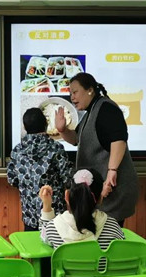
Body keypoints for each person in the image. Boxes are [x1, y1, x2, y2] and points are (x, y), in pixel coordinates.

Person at [55, 72, 138, 227]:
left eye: (75, 92)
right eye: (70, 93)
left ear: (90, 90)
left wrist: (112, 171)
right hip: (99, 188)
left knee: (108, 236)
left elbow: (119, 140)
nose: (72, 98)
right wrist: (62, 129)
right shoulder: (89, 113)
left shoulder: (106, 108)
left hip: (112, 188)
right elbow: (76, 139)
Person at [7, 107, 73, 231]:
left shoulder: (17, 150)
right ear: (46, 124)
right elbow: (68, 179)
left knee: (32, 249)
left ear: (25, 128)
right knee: (57, 249)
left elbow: (12, 180)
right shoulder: (56, 148)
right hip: (55, 215)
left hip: (30, 216)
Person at [39, 168, 124, 249]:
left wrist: (47, 205)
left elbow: (44, 237)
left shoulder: (53, 229)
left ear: (67, 196)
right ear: (100, 198)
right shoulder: (112, 227)